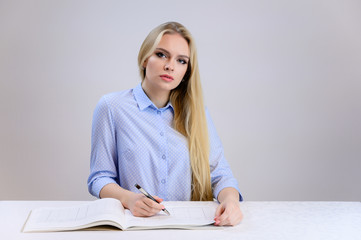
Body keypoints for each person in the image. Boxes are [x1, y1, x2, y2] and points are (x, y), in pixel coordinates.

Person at [87, 22, 243, 226]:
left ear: (187, 71)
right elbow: (99, 178)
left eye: (181, 61)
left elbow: (220, 174)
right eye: (161, 55)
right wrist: (129, 199)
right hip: (135, 227)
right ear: (144, 58)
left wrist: (231, 203)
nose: (170, 66)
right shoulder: (111, 107)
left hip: (187, 229)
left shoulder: (197, 113)